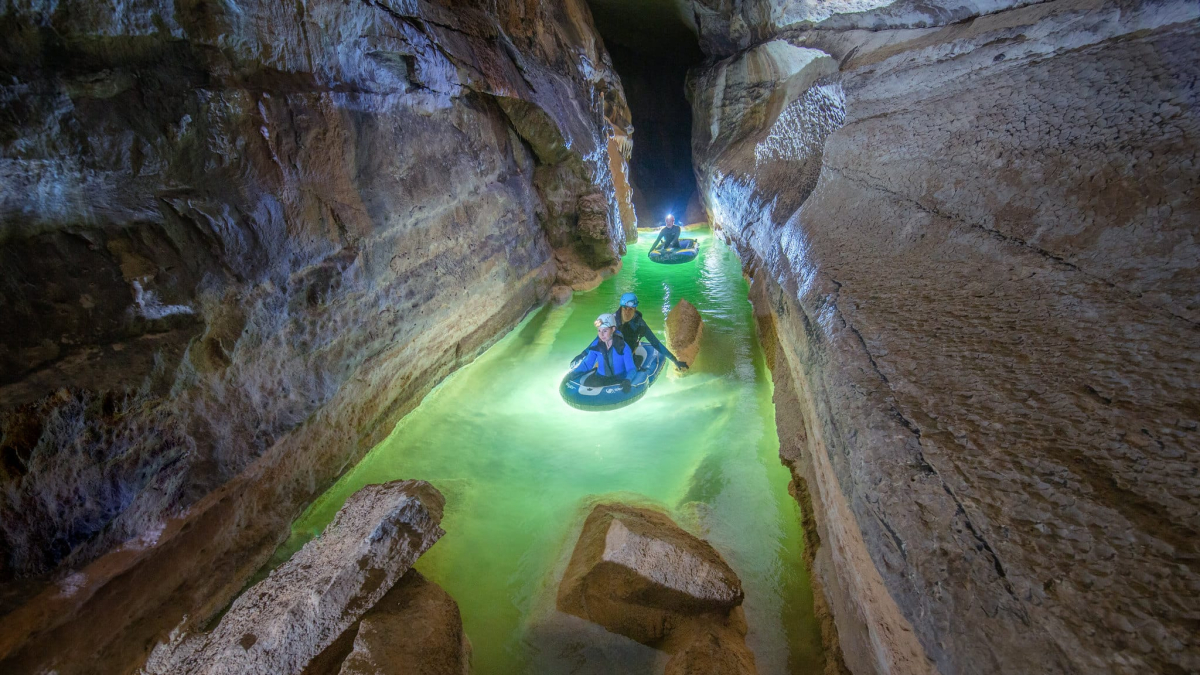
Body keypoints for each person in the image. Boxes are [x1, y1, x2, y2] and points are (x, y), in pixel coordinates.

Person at [614, 292, 689, 371]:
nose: (627, 312)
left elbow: (655, 343)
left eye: (630, 309)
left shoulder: (639, 324)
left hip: (629, 358)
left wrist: (675, 360)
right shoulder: (610, 322)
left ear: (635, 309)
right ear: (621, 308)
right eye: (625, 308)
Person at [570, 313, 636, 392]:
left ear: (613, 329)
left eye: (605, 331)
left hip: (618, 379)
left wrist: (628, 380)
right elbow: (587, 364)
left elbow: (631, 368)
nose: (601, 334)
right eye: (599, 330)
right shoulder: (596, 345)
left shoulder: (623, 347)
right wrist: (573, 373)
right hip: (600, 378)